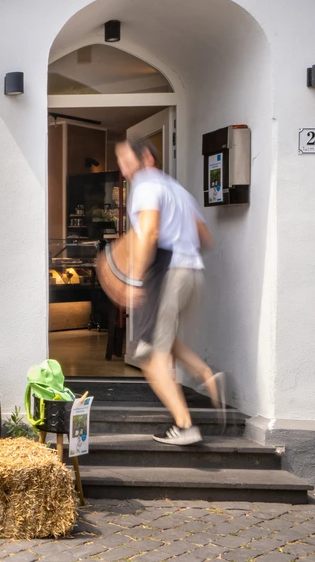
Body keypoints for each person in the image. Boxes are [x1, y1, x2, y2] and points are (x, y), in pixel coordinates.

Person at [116, 138, 222, 446]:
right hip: (191, 273)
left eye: (126, 159)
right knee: (160, 335)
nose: (122, 167)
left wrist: (134, 279)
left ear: (147, 157)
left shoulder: (146, 186)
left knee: (149, 356)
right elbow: (205, 236)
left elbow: (149, 231)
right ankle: (204, 372)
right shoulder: (178, 190)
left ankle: (185, 425)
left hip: (167, 273)